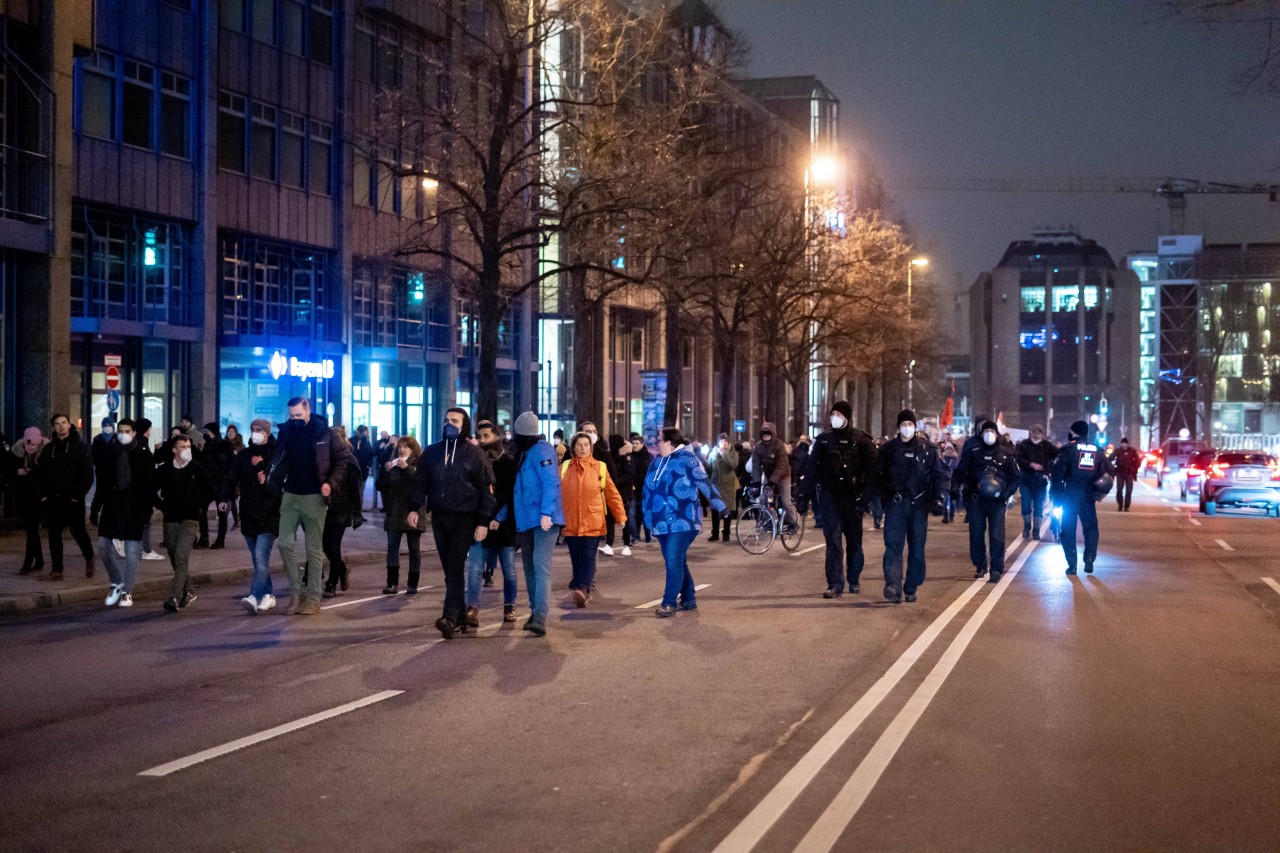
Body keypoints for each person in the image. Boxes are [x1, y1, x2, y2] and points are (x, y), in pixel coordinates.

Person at [409, 407, 495, 639]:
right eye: (447, 420)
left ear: (464, 425)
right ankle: (460, 617)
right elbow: (421, 482)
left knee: (455, 567)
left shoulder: (475, 454)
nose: (450, 424)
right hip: (440, 517)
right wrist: (414, 508)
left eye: (455, 421)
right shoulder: (432, 452)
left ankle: (448, 617)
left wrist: (483, 522)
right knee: (450, 570)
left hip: (465, 518)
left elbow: (487, 490)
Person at [266, 397, 351, 616]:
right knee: (284, 544)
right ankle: (297, 592)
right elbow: (278, 458)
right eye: (291, 416)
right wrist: (270, 477)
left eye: (298, 415)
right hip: (291, 496)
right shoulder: (287, 431)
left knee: (314, 550)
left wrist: (330, 484)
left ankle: (314, 597)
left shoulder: (325, 432)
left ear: (308, 411)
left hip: (314, 497)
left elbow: (343, 461)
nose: (295, 419)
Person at [643, 427, 725, 617]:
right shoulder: (655, 464)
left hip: (684, 521)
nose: (656, 445)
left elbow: (704, 482)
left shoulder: (687, 460)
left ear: (669, 443)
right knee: (677, 561)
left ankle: (669, 602)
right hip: (661, 521)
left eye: (659, 442)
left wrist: (720, 506)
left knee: (673, 561)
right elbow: (646, 491)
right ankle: (688, 598)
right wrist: (647, 518)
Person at [803, 401, 878, 598]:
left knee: (854, 542)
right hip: (831, 498)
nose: (834, 416)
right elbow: (811, 470)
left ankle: (853, 578)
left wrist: (866, 498)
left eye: (838, 413)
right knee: (833, 542)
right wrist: (803, 495)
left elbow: (873, 471)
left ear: (846, 417)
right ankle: (835, 583)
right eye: (833, 413)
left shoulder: (861, 441)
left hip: (853, 499)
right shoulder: (823, 441)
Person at [500, 411, 565, 636]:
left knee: (540, 564)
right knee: (529, 566)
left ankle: (540, 616)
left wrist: (547, 512)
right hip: (527, 519)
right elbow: (515, 491)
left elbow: (550, 481)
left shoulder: (541, 449)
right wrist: (502, 516)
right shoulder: (525, 452)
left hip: (543, 519)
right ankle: (535, 611)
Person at [877, 410, 950, 603]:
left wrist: (939, 498)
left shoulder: (928, 450)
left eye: (910, 424)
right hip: (896, 504)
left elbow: (940, 475)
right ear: (898, 426)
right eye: (903, 424)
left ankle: (911, 586)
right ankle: (893, 585)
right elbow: (877, 476)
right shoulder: (888, 450)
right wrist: (878, 502)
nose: (906, 428)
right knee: (893, 546)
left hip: (919, 506)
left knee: (917, 548)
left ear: (915, 426)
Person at [560, 432, 628, 608]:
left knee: (589, 556)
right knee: (576, 557)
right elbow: (555, 494)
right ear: (573, 447)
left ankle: (583, 588)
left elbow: (612, 494)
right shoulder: (564, 467)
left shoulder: (600, 468)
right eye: (579, 445)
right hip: (571, 520)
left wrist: (620, 515)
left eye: (586, 445)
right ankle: (580, 585)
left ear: (591, 448)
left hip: (594, 520)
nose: (583, 448)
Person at [96, 418, 154, 608]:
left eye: (127, 431)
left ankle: (127, 591)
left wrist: (146, 513)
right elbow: (103, 483)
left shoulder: (143, 455)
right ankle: (116, 581)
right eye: (120, 430)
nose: (123, 434)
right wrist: (96, 507)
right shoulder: (110, 453)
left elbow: (148, 487)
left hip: (133, 508)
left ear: (134, 433)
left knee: (131, 553)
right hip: (112, 507)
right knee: (103, 546)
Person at [956, 420, 1021, 582]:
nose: (989, 433)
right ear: (981, 433)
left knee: (997, 535)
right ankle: (980, 564)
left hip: (997, 502)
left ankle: (996, 569)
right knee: (976, 533)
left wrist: (1007, 493)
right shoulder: (972, 450)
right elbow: (961, 471)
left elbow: (1016, 477)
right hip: (976, 500)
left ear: (997, 432)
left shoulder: (1006, 452)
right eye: (986, 431)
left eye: (992, 430)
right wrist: (956, 488)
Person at [153, 433, 212, 612]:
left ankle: (174, 596)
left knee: (181, 556)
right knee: (173, 555)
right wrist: (163, 506)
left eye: (188, 447)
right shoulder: (165, 469)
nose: (187, 450)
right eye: (183, 447)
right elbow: (151, 489)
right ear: (174, 450)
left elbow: (211, 489)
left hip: (190, 519)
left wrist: (199, 506)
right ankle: (189, 590)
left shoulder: (196, 468)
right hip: (171, 518)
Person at [468, 420, 519, 623]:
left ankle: (509, 606)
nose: (482, 441)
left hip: (503, 527)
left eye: (486, 436)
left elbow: (511, 494)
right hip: (480, 523)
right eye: (479, 437)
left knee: (509, 570)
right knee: (474, 568)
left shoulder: (508, 462)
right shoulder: (475, 462)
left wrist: (500, 518)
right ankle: (472, 608)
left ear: (497, 437)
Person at [1051, 420, 1114, 576]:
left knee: (1067, 529)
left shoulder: (1068, 450)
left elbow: (1057, 475)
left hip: (1070, 495)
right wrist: (1099, 490)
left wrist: (1056, 496)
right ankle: (1090, 559)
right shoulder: (1098, 451)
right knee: (1091, 528)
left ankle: (1072, 564)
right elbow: (1109, 472)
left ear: (1074, 433)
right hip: (1088, 496)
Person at [39, 414, 95, 581]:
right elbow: (42, 473)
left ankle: (89, 557)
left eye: (63, 423)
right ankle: (57, 570)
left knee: (78, 532)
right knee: (54, 534)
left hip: (73, 499)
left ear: (69, 425)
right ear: (53, 427)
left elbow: (87, 474)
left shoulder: (80, 447)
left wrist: (78, 495)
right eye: (57, 424)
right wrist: (43, 495)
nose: (61, 426)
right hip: (53, 499)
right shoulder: (50, 448)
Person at [236, 419, 281, 614]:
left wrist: (261, 467)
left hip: (269, 515)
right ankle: (269, 595)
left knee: (261, 557)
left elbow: (277, 486)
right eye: (253, 429)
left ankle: (255, 595)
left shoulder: (277, 454)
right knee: (257, 559)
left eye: (259, 429)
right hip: (248, 514)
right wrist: (222, 497)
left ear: (268, 432)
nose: (255, 432)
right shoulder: (244, 455)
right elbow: (231, 477)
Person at [379, 436, 426, 595]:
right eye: (400, 446)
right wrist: (385, 470)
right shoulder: (393, 462)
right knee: (392, 548)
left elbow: (421, 483)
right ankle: (392, 583)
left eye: (406, 446)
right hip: (394, 512)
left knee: (414, 549)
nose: (402, 449)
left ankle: (412, 583)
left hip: (413, 512)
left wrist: (406, 468)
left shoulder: (419, 463)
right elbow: (382, 486)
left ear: (413, 448)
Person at [322, 427, 364, 598]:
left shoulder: (349, 459)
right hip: (325, 507)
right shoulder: (324, 457)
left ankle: (331, 584)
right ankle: (343, 568)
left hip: (342, 507)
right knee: (325, 546)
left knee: (334, 545)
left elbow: (355, 489)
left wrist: (356, 513)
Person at [578, 421, 622, 555]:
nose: (591, 434)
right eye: (588, 431)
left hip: (598, 499)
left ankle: (608, 544)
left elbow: (613, 478)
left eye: (594, 432)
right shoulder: (572, 454)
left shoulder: (603, 454)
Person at [749, 422, 797, 530]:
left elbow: (781, 466)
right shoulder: (758, 448)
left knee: (785, 501)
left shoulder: (779, 446)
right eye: (764, 434)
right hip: (768, 475)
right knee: (763, 499)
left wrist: (772, 481)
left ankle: (793, 522)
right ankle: (768, 522)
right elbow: (755, 465)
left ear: (773, 434)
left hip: (783, 476)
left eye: (768, 434)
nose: (766, 436)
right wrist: (756, 482)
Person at [14, 427, 49, 575]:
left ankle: (28, 563)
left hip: (39, 498)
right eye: (27, 445)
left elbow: (48, 477)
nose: (30, 448)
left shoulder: (45, 456)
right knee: (31, 530)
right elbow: (10, 471)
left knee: (32, 530)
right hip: (25, 498)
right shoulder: (19, 454)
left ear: (39, 444)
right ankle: (39, 560)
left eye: (33, 445)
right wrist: (17, 472)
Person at [196, 422, 234, 549]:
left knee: (221, 511)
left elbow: (225, 465)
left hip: (221, 483)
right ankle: (204, 537)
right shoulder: (206, 446)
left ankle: (220, 540)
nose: (205, 435)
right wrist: (203, 449)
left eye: (207, 432)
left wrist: (227, 482)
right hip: (207, 483)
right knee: (201, 509)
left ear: (213, 432)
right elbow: (201, 463)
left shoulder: (224, 445)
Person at [1015, 423, 1057, 538]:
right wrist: (1030, 464)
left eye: (1038, 432)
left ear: (1042, 434)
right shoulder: (1024, 445)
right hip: (1026, 480)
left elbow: (1057, 457)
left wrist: (1048, 472)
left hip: (1041, 481)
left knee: (1038, 506)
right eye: (1034, 432)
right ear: (1030, 433)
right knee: (1026, 506)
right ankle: (1027, 525)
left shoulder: (1047, 446)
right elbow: (1018, 458)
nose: (1036, 434)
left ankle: (1036, 530)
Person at [604, 434, 636, 555]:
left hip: (624, 492)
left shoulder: (626, 456)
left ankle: (626, 544)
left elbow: (629, 474)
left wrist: (616, 480)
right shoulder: (611, 455)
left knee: (625, 517)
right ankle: (609, 544)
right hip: (613, 490)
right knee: (611, 517)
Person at [705, 434, 739, 543]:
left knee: (727, 510)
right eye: (721, 441)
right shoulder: (713, 453)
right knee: (715, 510)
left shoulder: (733, 453)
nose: (723, 444)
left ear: (728, 443)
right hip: (716, 484)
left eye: (725, 441)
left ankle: (726, 533)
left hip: (728, 485)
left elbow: (733, 465)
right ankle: (715, 533)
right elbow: (709, 467)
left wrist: (724, 454)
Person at [88, 417, 115, 526]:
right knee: (100, 492)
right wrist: (98, 464)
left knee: (111, 493)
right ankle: (94, 513)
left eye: (109, 425)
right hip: (101, 470)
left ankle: (108, 516)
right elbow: (93, 455)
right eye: (105, 425)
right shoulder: (98, 439)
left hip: (113, 471)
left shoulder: (116, 439)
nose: (107, 427)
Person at [629, 433, 652, 543]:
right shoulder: (629, 456)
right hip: (632, 489)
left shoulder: (648, 457)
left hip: (645, 489)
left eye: (637, 443)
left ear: (642, 444)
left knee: (644, 512)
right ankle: (635, 535)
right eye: (633, 443)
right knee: (632, 513)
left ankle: (648, 534)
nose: (634, 445)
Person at [224, 424, 244, 530]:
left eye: (232, 431)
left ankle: (226, 519)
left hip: (237, 477)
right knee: (231, 498)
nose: (230, 433)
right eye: (229, 431)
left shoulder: (240, 446)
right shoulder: (223, 444)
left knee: (231, 499)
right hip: (226, 475)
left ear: (236, 434)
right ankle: (236, 521)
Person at [351, 425, 376, 511]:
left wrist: (368, 464)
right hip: (353, 471)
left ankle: (358, 513)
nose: (367, 433)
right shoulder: (352, 441)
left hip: (363, 470)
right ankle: (353, 512)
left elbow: (370, 453)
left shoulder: (366, 442)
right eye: (366, 431)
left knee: (361, 492)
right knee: (354, 492)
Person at [1112, 437, 1140, 511]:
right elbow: (1110, 458)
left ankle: (1127, 506)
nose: (1124, 445)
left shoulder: (1132, 451)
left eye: (1125, 443)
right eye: (1123, 443)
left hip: (1129, 473)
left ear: (1127, 444)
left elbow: (1138, 461)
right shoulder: (1118, 451)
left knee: (1129, 490)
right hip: (1120, 472)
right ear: (1121, 444)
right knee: (1119, 489)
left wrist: (1134, 469)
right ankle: (1120, 505)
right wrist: (1112, 468)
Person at [373, 431, 397, 511]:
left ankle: (390, 507)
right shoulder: (388, 449)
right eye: (390, 439)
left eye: (393, 440)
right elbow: (380, 458)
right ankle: (385, 506)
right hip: (385, 474)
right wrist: (386, 448)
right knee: (384, 491)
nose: (391, 441)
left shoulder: (399, 450)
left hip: (394, 475)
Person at [939, 441, 960, 523]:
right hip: (944, 482)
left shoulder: (955, 459)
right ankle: (945, 517)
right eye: (947, 449)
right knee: (944, 500)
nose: (948, 450)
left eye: (950, 449)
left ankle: (951, 516)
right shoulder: (941, 459)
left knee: (953, 501)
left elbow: (957, 470)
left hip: (953, 482)